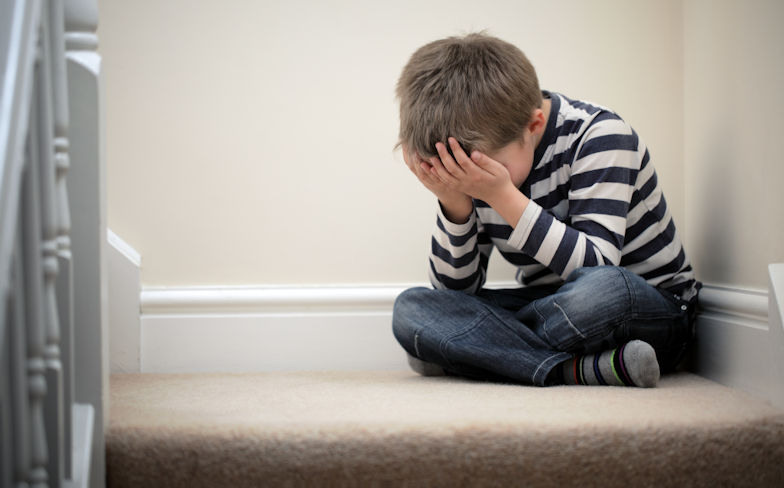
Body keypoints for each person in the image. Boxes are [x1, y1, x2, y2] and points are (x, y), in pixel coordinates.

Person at [392, 32, 700, 387]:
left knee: (603, 293)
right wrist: (454, 204)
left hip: (646, 305)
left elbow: (597, 266)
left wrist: (501, 195)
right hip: (554, 307)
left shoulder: (600, 135)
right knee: (413, 310)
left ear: (534, 125)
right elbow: (456, 293)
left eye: (482, 171)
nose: (470, 181)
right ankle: (578, 369)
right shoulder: (474, 171)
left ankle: (475, 353)